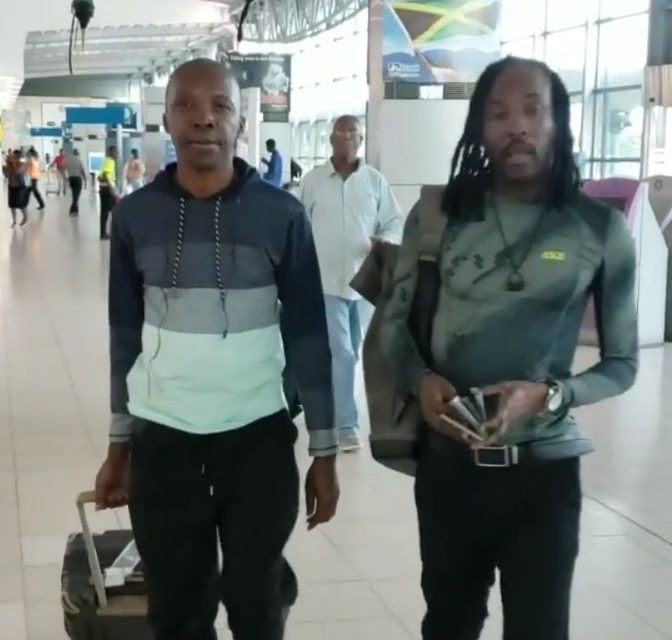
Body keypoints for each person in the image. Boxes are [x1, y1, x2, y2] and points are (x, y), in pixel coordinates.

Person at [379, 56, 638, 640]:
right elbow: (393, 328)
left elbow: (623, 365)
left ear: (558, 121)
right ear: (480, 126)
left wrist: (548, 397)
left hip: (544, 477)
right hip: (449, 473)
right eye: (498, 113)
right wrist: (421, 381)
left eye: (531, 110)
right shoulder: (437, 214)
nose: (516, 125)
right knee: (448, 624)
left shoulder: (599, 229)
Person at [93, 58, 339, 640]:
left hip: (258, 440)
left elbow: (308, 333)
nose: (203, 119)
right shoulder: (135, 217)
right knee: (177, 605)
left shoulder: (281, 215)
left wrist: (325, 451)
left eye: (220, 106)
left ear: (240, 124)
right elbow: (124, 336)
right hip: (163, 442)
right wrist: (118, 446)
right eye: (186, 105)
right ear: (166, 120)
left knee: (256, 597)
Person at [299, 115, 402, 452]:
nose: (346, 137)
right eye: (340, 132)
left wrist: (385, 240)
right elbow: (298, 225)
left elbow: (393, 221)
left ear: (360, 140)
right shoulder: (313, 181)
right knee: (341, 353)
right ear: (330, 140)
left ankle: (337, 412)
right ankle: (345, 425)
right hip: (325, 281)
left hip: (364, 283)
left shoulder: (374, 182)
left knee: (353, 352)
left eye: (352, 132)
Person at [4, 150, 29, 227]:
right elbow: (7, 175)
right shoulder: (10, 163)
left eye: (14, 156)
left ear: (18, 157)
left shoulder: (22, 163)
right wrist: (7, 165)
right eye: (12, 156)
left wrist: (12, 163)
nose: (12, 158)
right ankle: (14, 220)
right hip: (11, 186)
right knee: (12, 205)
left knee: (21, 204)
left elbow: (17, 172)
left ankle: (25, 218)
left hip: (20, 187)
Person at [98, 146, 117, 240]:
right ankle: (112, 232)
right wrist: (111, 188)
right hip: (107, 189)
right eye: (115, 152)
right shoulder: (111, 161)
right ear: (111, 152)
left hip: (102, 189)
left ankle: (103, 233)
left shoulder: (105, 161)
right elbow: (105, 174)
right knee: (115, 210)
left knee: (104, 212)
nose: (116, 154)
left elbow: (100, 176)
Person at [65, 149, 87, 216]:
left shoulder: (68, 160)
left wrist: (66, 177)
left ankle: (75, 210)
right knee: (76, 196)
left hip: (71, 179)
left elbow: (65, 168)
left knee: (74, 195)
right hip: (77, 179)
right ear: (78, 153)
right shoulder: (79, 160)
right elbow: (82, 170)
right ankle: (72, 210)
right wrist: (85, 179)